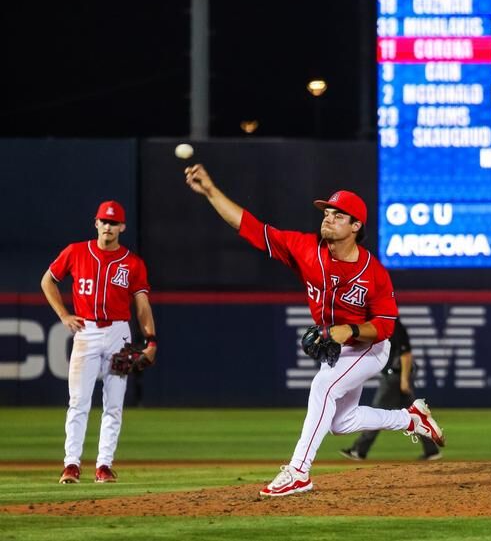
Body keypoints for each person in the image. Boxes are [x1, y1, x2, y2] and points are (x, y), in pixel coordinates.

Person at [183, 164, 445, 497]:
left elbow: (384, 326)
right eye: (327, 212)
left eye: (338, 215)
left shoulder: (373, 272)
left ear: (355, 226)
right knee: (340, 422)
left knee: (323, 385)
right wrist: (210, 190)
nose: (328, 217)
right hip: (340, 345)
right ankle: (411, 420)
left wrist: (347, 330)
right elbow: (249, 227)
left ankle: (298, 472)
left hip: (369, 346)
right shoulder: (305, 248)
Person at [41, 200, 157, 485]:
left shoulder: (132, 263)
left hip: (119, 333)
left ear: (122, 227)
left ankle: (104, 465)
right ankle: (71, 465)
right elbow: (48, 281)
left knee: (114, 404)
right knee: (79, 401)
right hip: (87, 331)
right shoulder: (76, 252)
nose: (108, 226)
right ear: (96, 223)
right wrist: (64, 314)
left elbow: (142, 304)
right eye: (104, 221)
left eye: (113, 222)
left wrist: (150, 340)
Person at [340, 318, 441, 461]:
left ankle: (359, 450)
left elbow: (406, 354)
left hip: (395, 378)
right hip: (395, 377)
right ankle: (432, 450)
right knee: (414, 415)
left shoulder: (395, 326)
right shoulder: (384, 325)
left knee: (376, 411)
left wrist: (404, 380)